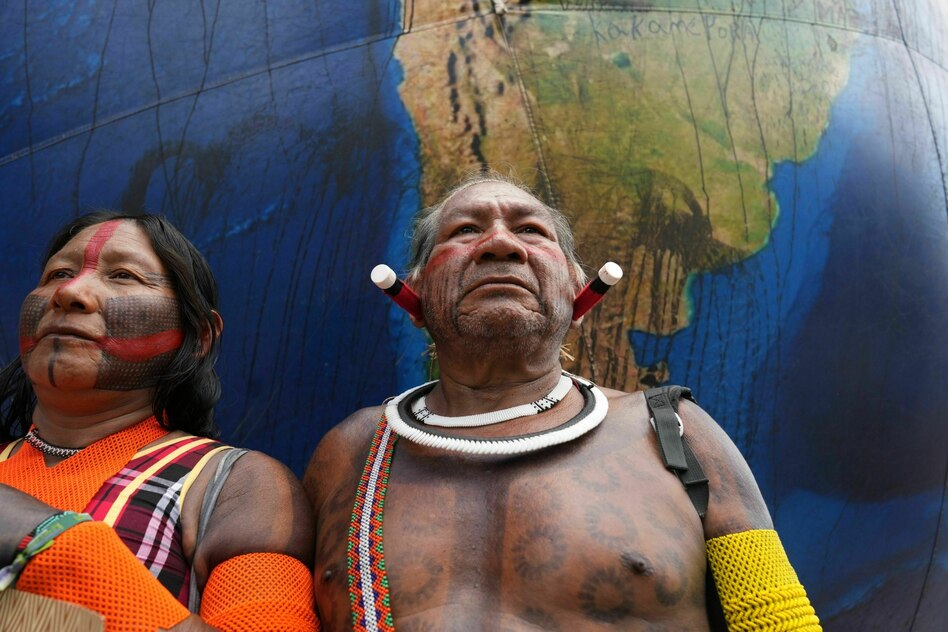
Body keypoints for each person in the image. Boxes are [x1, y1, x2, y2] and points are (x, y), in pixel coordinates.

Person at [304, 174, 821, 631]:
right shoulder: (351, 450)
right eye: (465, 231)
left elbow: (778, 623)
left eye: (531, 230)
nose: (500, 244)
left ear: (578, 293)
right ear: (412, 295)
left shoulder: (675, 431)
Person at [0, 212, 318, 631]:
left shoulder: (237, 486)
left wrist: (48, 541)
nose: (70, 292)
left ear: (200, 336)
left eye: (125, 276)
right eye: (58, 273)